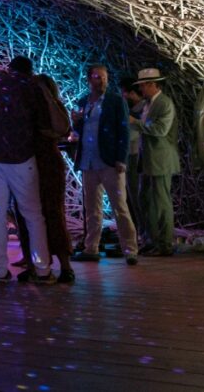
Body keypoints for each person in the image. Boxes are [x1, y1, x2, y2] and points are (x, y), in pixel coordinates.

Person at [0, 56, 56, 284]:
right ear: (29, 71)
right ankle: (42, 269)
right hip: (22, 159)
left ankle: (0, 271)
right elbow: (46, 123)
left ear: (9, 68)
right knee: (33, 216)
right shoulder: (31, 87)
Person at [70, 65, 138, 266]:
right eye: (97, 77)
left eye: (105, 77)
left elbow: (123, 131)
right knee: (92, 208)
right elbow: (80, 131)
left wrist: (121, 159)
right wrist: (76, 122)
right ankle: (91, 247)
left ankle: (130, 249)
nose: (102, 81)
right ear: (89, 80)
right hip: (88, 161)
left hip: (109, 162)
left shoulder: (115, 101)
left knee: (120, 207)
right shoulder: (84, 102)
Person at [26, 74, 76, 282]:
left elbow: (63, 128)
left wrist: (48, 97)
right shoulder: (28, 108)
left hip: (48, 162)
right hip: (29, 162)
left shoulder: (54, 107)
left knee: (53, 211)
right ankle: (37, 264)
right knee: (31, 214)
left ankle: (65, 265)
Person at [130, 68, 179, 257]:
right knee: (147, 200)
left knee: (160, 201)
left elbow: (160, 130)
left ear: (153, 84)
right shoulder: (148, 103)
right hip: (149, 160)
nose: (141, 89)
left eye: (143, 85)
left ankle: (164, 244)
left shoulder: (164, 103)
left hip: (160, 159)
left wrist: (135, 122)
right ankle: (152, 240)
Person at [119, 76, 147, 236]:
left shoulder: (143, 110)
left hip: (137, 156)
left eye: (125, 93)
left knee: (137, 196)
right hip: (130, 156)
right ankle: (139, 231)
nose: (123, 97)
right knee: (131, 197)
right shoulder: (132, 111)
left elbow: (132, 135)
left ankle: (144, 231)